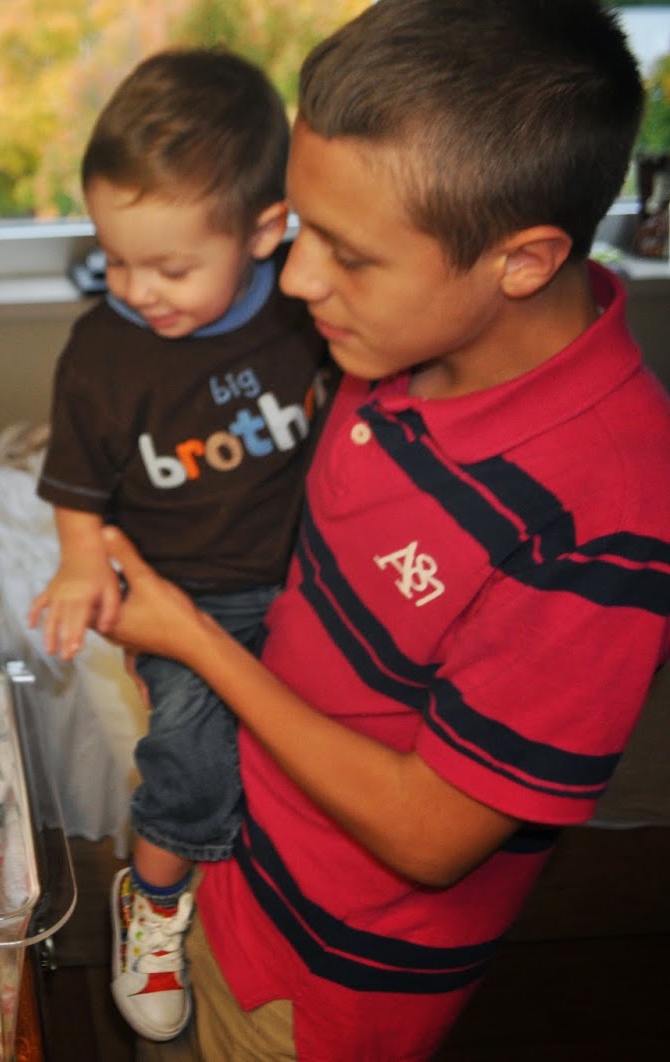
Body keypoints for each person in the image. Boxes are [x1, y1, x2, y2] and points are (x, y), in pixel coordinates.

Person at [96, 2, 670, 1058]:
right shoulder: (381, 346)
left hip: (315, 979)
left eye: (349, 254)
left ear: (522, 261)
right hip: (227, 855)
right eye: (301, 226)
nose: (297, 278)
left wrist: (200, 647)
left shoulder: (606, 520)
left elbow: (429, 833)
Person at [28, 48, 330, 1041]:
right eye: (115, 259)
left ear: (266, 232)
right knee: (195, 751)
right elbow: (77, 483)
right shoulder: (103, 352)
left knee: (328, 734)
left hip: (306, 572)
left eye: (170, 267)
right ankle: (152, 901)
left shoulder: (307, 304)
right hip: (180, 592)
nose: (136, 289)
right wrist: (81, 564)